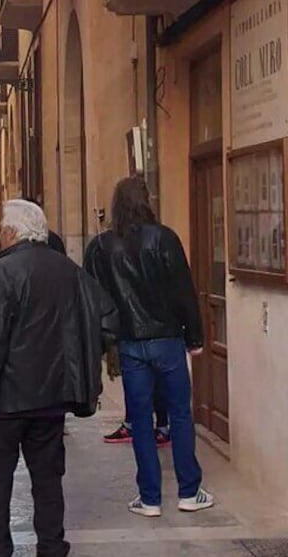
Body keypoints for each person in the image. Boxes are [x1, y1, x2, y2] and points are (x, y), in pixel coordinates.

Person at [0, 200, 116, 557]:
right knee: (48, 479)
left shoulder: (2, 273)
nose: (0, 233)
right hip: (52, 397)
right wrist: (81, 356)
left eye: (2, 227)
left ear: (10, 232)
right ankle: (51, 546)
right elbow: (108, 320)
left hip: (7, 400)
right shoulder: (69, 270)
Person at [84, 176, 214, 517]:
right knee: (180, 414)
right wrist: (195, 338)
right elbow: (184, 291)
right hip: (168, 340)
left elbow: (95, 298)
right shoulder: (165, 238)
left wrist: (104, 341)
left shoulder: (101, 247)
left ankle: (150, 498)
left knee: (140, 420)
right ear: (146, 200)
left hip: (130, 345)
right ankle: (189, 492)